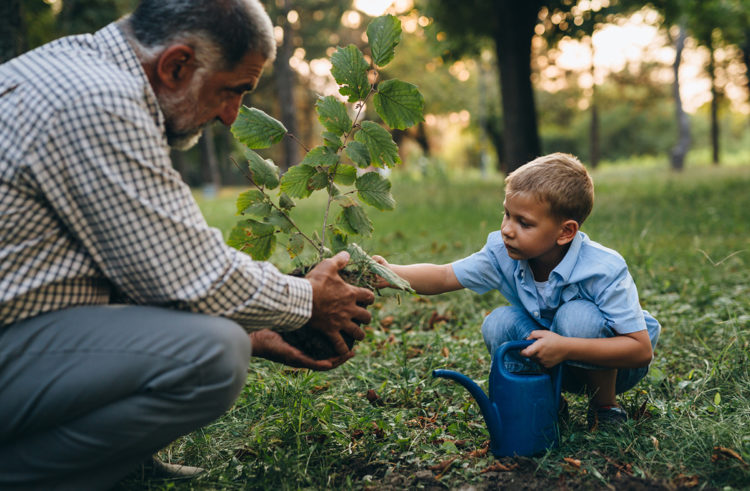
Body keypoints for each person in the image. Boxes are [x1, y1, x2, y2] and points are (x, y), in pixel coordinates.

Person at [0, 0, 375, 488]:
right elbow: (189, 274)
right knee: (212, 353)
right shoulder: (97, 101)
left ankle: (117, 461)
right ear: (177, 65)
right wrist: (307, 300)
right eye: (232, 91)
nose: (229, 116)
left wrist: (257, 330)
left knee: (223, 336)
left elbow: (127, 269)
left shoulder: (72, 71)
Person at [374, 153, 660, 430]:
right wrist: (391, 274)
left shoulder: (602, 268)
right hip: (551, 357)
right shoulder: (502, 252)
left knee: (578, 316)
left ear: (565, 232)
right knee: (499, 322)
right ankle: (545, 401)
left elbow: (639, 350)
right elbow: (445, 274)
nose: (507, 230)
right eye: (507, 214)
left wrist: (565, 347)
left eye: (524, 223)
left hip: (611, 365)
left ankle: (605, 408)